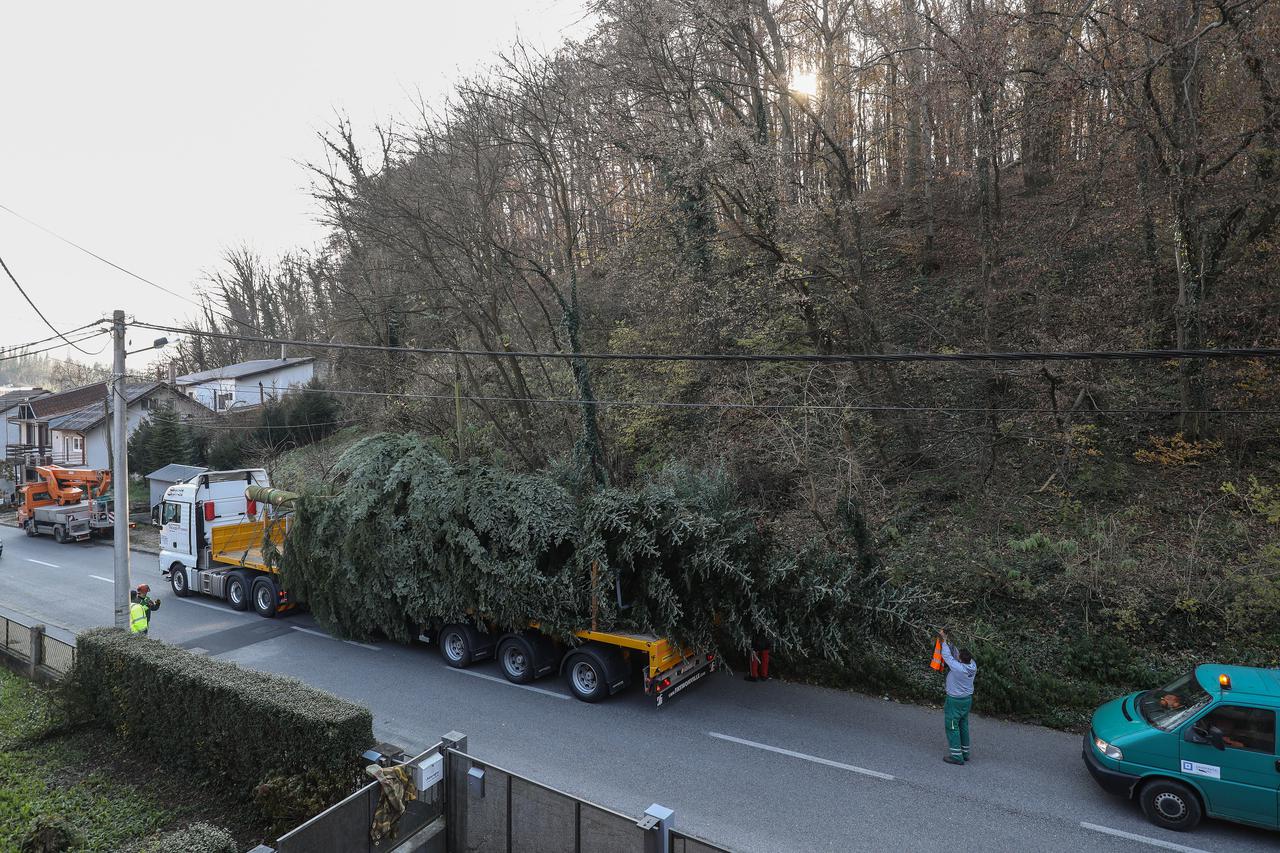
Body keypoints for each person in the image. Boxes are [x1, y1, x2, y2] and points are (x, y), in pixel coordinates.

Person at [938, 629, 977, 765]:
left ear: (960, 660)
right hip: (967, 700)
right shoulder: (972, 665)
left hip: (955, 701)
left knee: (952, 726)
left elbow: (948, 656)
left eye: (959, 657)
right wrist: (949, 640)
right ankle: (965, 753)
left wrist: (943, 640)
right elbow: (956, 654)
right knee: (963, 725)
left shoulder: (958, 668)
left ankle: (956, 757)